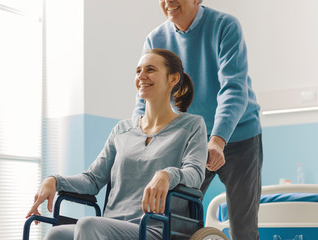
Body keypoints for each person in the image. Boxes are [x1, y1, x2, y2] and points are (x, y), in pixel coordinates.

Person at [26, 49, 208, 240]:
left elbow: (195, 174)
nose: (142, 76)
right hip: (111, 224)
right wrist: (54, 180)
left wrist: (167, 175)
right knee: (56, 234)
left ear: (173, 79)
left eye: (150, 69)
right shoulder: (122, 130)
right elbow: (93, 179)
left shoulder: (192, 126)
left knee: (89, 225)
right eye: (138, 71)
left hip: (155, 227)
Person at [133, 1, 263, 239]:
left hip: (239, 135)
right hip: (191, 139)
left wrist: (218, 139)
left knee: (243, 228)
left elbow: (234, 87)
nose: (169, 2)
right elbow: (145, 97)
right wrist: (137, 141)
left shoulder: (225, 26)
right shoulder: (155, 39)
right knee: (176, 219)